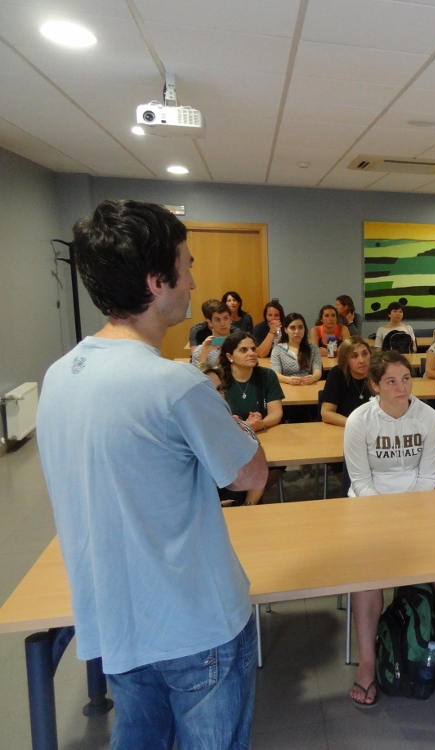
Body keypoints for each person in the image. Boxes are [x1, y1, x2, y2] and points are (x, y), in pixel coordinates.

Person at [36, 199, 267, 748]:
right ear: (156, 281)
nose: (193, 279)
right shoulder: (175, 385)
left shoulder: (59, 375)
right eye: (186, 265)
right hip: (196, 624)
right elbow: (250, 474)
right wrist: (241, 430)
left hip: (118, 619)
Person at [342, 351, 435, 707]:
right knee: (367, 576)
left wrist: (409, 518)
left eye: (406, 379)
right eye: (391, 381)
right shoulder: (359, 421)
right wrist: (387, 520)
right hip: (368, 507)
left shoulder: (427, 417)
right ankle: (367, 663)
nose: (401, 387)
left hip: (420, 506)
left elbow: (428, 477)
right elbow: (361, 480)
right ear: (375, 385)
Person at [200, 364, 266, 507]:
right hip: (201, 509)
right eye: (209, 389)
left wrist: (247, 505)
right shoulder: (181, 434)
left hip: (239, 504)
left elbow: (257, 477)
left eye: (220, 389)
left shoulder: (239, 426)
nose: (218, 395)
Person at [219, 332, 284, 433]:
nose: (252, 353)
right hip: (230, 435)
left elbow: (276, 412)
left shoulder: (267, 375)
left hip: (261, 433)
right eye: (244, 350)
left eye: (253, 349)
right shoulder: (218, 380)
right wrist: (245, 425)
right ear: (229, 356)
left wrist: (261, 424)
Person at [320, 336, 373, 427]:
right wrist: (356, 425)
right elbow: (326, 413)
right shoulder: (337, 374)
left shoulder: (378, 373)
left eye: (365, 354)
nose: (361, 360)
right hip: (344, 428)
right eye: (354, 356)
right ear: (346, 360)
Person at [271, 312, 322, 385]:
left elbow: (318, 371)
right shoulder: (278, 349)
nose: (297, 331)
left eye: (300, 327)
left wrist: (313, 378)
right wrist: (288, 380)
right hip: (288, 385)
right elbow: (276, 373)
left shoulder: (313, 348)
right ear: (285, 330)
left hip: (308, 385)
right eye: (292, 328)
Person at [191, 300, 233, 367]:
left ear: (231, 319)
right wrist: (203, 353)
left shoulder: (241, 346)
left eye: (226, 318)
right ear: (210, 322)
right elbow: (198, 376)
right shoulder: (199, 351)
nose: (222, 323)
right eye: (217, 320)